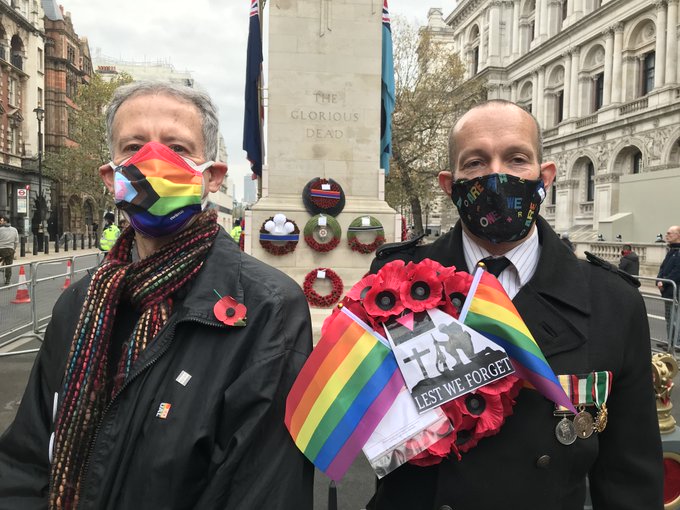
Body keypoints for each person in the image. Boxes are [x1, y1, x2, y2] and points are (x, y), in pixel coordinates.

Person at [0, 82, 313, 509]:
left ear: (213, 177)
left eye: (178, 148)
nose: (154, 162)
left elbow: (258, 488)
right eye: (133, 146)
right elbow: (26, 462)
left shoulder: (267, 308)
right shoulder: (78, 304)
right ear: (111, 177)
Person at [367, 100, 662, 510]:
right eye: (475, 163)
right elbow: (366, 421)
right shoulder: (394, 282)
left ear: (545, 177)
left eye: (516, 158)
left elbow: (629, 476)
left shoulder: (613, 301)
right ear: (448, 184)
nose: (496, 176)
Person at [657, 225, 680, 343]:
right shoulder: (671, 250)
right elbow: (662, 268)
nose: (666, 235)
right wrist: (658, 280)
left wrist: (664, 283)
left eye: (669, 233)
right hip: (668, 290)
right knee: (669, 318)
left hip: (674, 291)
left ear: (678, 235)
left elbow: (677, 271)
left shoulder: (678, 251)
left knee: (674, 318)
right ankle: (671, 342)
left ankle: (676, 344)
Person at [0, 215, 19, 286]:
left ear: (5, 221)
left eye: (2, 220)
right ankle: (8, 280)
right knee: (9, 265)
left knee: (4, 256)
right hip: (10, 249)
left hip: (0, 249)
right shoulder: (14, 230)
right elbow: (16, 241)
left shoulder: (0, 229)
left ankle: (2, 265)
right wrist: (14, 249)